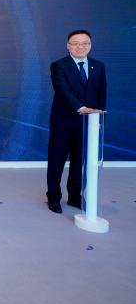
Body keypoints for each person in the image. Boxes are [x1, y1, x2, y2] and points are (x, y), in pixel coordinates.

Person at [46, 30, 106, 214]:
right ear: (68, 46)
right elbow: (62, 91)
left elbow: (102, 92)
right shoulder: (59, 66)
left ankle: (74, 196)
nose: (80, 47)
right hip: (63, 121)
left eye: (85, 43)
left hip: (89, 123)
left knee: (80, 161)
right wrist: (81, 108)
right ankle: (54, 197)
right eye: (76, 43)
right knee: (56, 161)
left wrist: (99, 116)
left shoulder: (98, 66)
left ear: (90, 45)